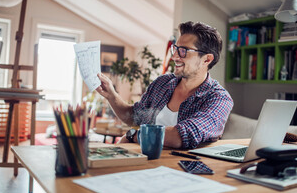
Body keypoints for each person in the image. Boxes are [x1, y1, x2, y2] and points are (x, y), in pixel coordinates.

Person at [96, 21, 233, 149]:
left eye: (183, 51)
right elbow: (135, 117)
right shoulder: (162, 83)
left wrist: (133, 135)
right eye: (175, 49)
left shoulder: (219, 99)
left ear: (207, 59)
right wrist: (112, 96)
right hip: (145, 162)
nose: (174, 57)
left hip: (182, 168)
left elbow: (183, 135)